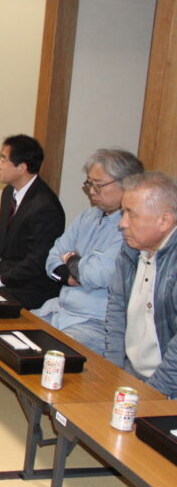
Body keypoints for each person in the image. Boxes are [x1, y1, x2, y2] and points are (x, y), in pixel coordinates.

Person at [33, 149, 143, 352]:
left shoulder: (131, 228)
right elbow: (52, 259)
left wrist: (72, 261)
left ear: (127, 184)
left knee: (47, 354)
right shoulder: (88, 216)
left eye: (98, 185)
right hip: (59, 308)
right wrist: (69, 275)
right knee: (10, 332)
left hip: (94, 323)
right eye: (89, 184)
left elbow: (96, 275)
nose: (92, 191)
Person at [101, 171, 177, 398]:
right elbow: (116, 310)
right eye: (123, 212)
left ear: (164, 220)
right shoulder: (130, 250)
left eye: (131, 214)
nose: (122, 224)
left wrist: (151, 396)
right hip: (131, 372)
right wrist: (111, 374)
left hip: (167, 386)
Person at [0, 135, 66, 309]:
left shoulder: (45, 206)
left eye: (3, 160)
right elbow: (0, 237)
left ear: (22, 168)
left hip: (29, 286)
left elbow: (36, 261)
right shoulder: (9, 191)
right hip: (5, 276)